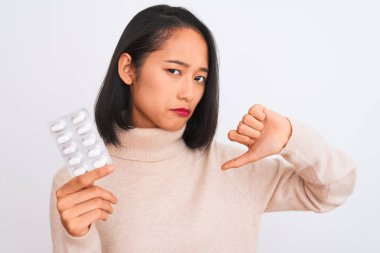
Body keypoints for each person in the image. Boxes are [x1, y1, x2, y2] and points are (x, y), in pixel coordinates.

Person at [49, 4, 356, 253]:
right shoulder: (80, 183)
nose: (189, 93)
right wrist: (75, 237)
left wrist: (292, 138)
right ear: (129, 69)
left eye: (199, 78)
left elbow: (332, 191)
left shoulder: (233, 167)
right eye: (174, 71)